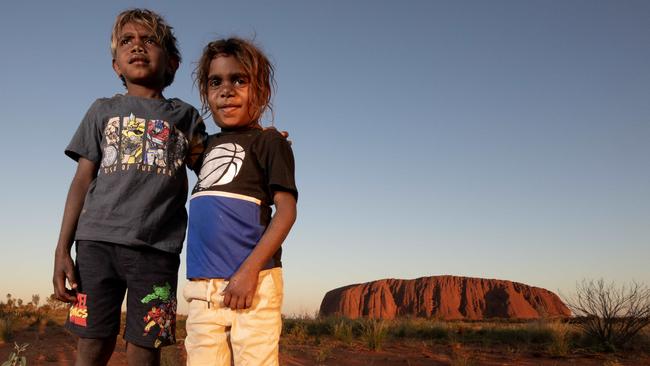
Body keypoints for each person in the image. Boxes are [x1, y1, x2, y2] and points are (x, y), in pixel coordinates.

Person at [52, 9, 206, 366]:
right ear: (116, 65)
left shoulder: (186, 117)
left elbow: (214, 166)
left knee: (144, 348)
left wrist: (260, 138)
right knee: (92, 343)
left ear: (172, 62)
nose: (138, 46)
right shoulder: (102, 110)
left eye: (150, 40)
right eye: (127, 41)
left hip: (157, 250)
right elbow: (81, 181)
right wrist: (62, 249)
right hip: (96, 245)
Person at [183, 38, 298, 366]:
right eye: (215, 81)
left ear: (260, 91)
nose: (226, 90)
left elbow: (287, 212)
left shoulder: (269, 143)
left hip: (254, 284)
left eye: (239, 80)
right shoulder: (202, 148)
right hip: (203, 290)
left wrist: (248, 272)